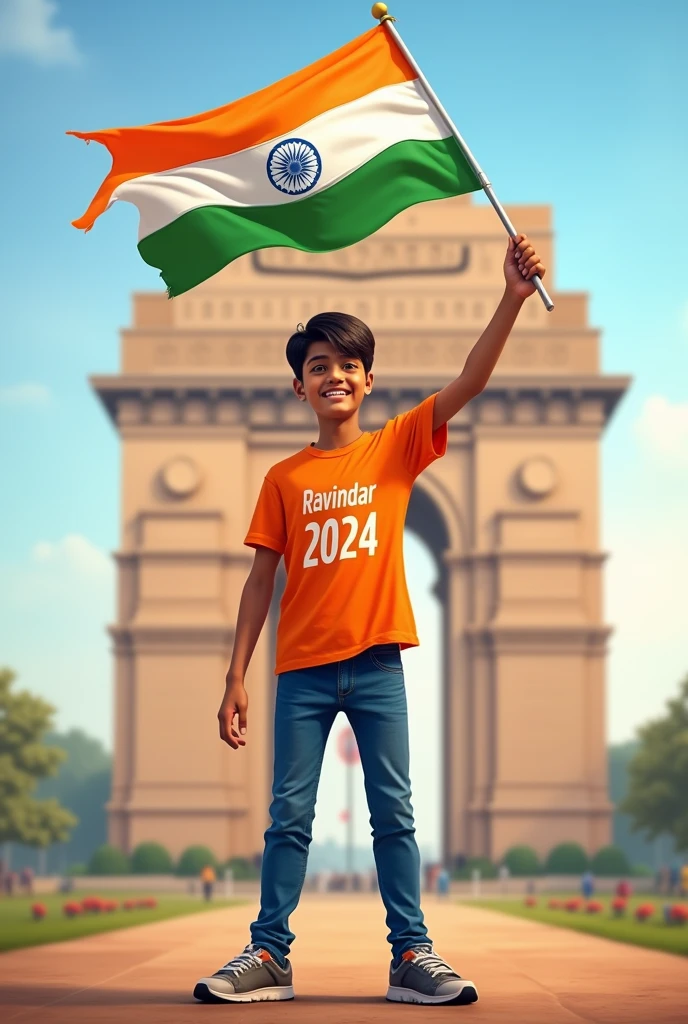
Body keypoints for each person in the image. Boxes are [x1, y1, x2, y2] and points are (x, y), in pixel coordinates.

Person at [194, 234, 546, 1006]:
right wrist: (234, 678)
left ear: (368, 380)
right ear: (300, 388)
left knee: (395, 814)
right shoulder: (282, 477)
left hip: (379, 662)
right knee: (289, 815)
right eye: (318, 366)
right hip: (303, 670)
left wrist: (512, 300)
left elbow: (470, 380)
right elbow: (261, 582)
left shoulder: (396, 449)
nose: (334, 376)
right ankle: (270, 954)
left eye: (347, 364)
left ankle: (411, 953)